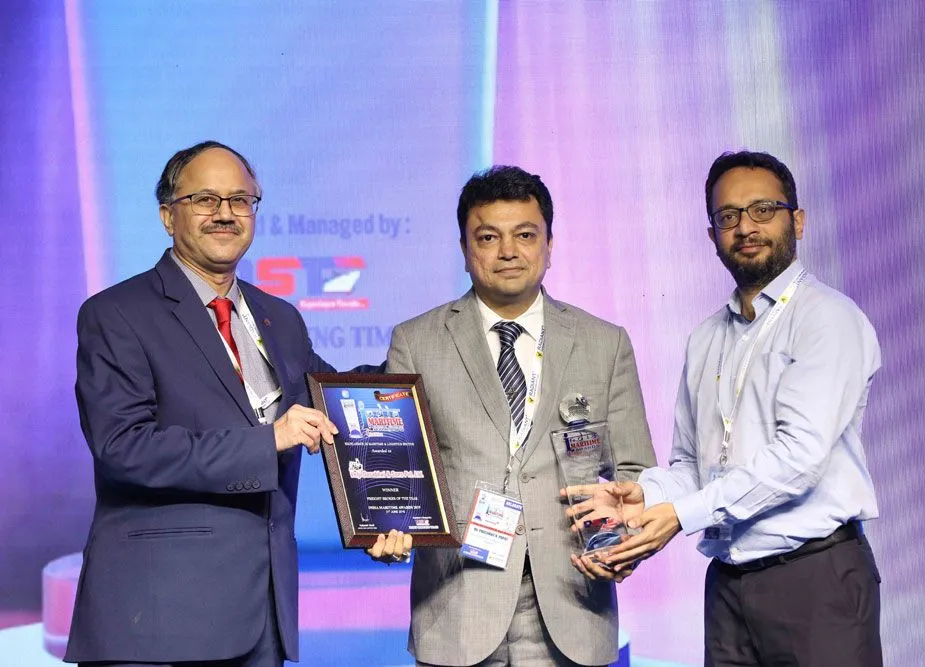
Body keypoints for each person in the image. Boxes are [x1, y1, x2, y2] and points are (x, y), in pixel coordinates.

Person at [569, 151, 883, 666]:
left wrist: (681, 516)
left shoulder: (828, 319)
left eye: (763, 210)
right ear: (712, 234)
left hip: (816, 578)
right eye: (728, 216)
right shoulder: (705, 339)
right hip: (729, 586)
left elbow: (798, 459)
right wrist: (645, 498)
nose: (745, 227)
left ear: (797, 221)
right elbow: (693, 467)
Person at [66, 141, 359, 666]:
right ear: (167, 216)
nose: (225, 213)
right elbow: (124, 447)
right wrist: (267, 441)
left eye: (240, 200)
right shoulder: (116, 313)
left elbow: (336, 399)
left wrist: (427, 356)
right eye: (205, 199)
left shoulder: (279, 317)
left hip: (261, 618)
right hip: (157, 618)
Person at [367, 166, 657, 666]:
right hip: (457, 606)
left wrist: (620, 541)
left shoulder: (604, 343)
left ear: (549, 244)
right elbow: (397, 471)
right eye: (488, 237)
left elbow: (634, 472)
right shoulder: (415, 341)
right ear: (465, 248)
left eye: (525, 235)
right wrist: (387, 523)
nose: (508, 251)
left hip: (573, 600)